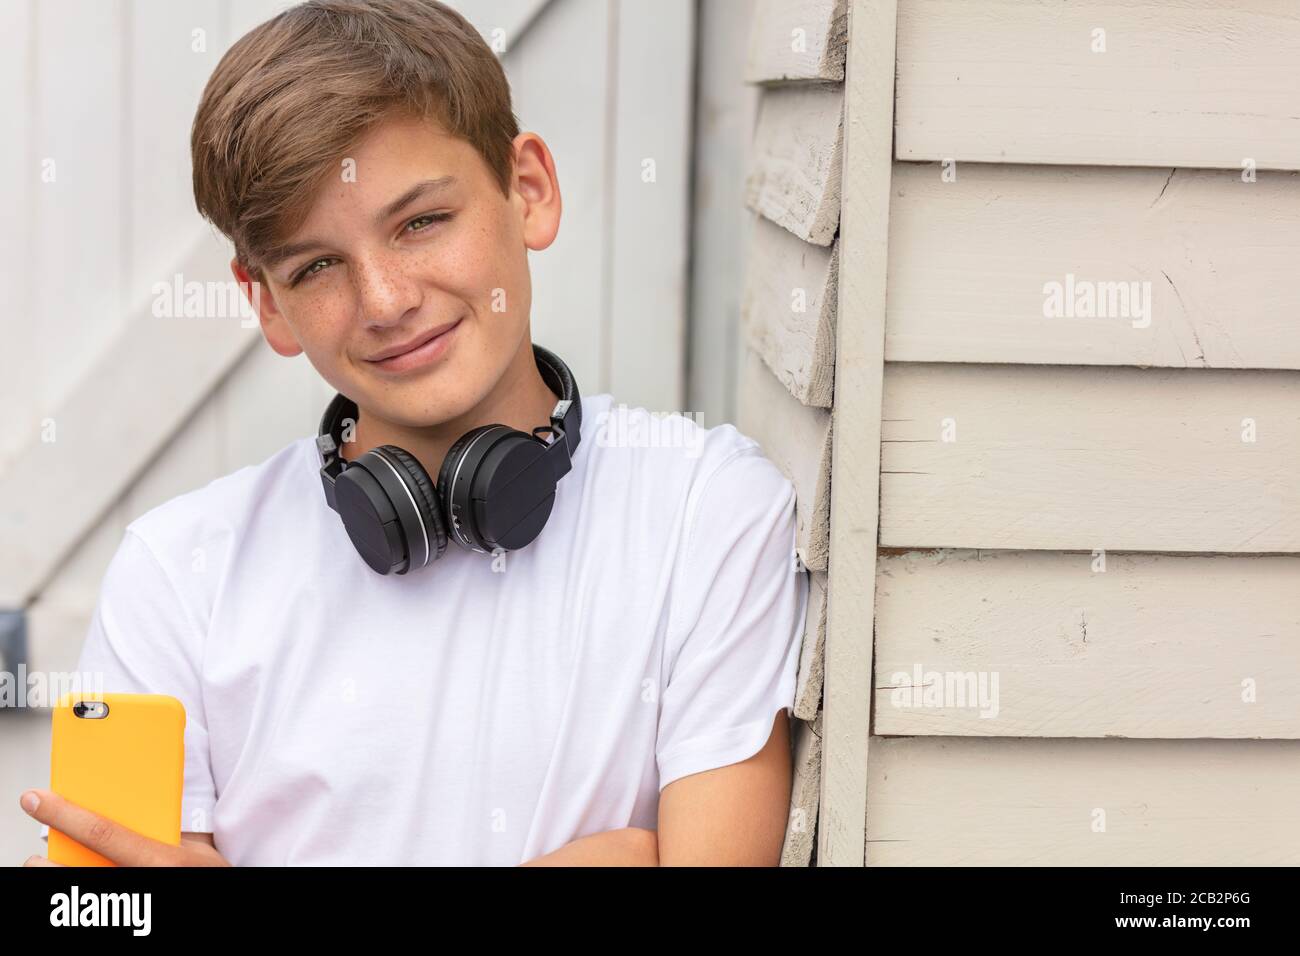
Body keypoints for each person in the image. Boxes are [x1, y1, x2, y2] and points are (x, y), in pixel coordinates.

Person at [19, 0, 808, 866]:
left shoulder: (709, 513)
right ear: (266, 304)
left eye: (422, 222)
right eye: (317, 266)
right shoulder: (175, 577)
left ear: (530, 193)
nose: (387, 300)